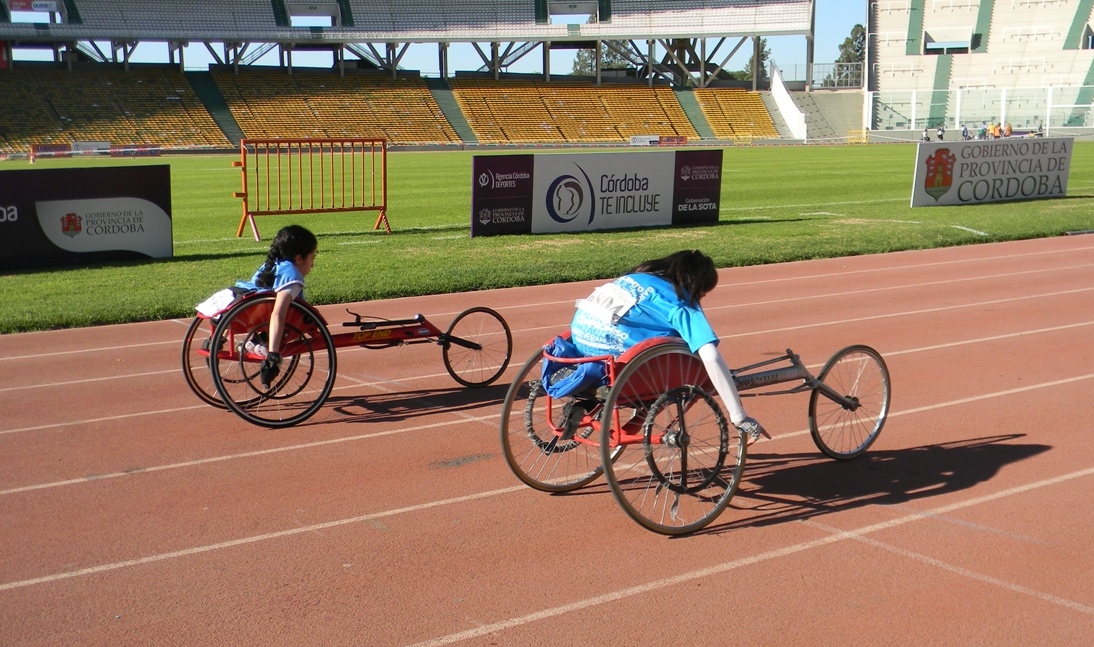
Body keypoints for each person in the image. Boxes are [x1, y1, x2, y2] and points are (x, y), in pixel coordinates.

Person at [568, 250, 768, 444]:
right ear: (696, 287)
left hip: (581, 341)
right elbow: (710, 356)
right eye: (703, 294)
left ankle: (593, 403)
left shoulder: (635, 277)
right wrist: (739, 416)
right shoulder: (681, 302)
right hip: (616, 360)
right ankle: (638, 418)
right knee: (688, 365)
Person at [234, 224, 319, 388]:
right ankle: (264, 345)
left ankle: (258, 341)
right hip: (278, 320)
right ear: (299, 258)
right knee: (306, 317)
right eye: (312, 258)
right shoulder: (292, 276)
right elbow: (278, 314)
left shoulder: (270, 266)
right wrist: (273, 355)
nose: (312, 264)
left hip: (252, 315)